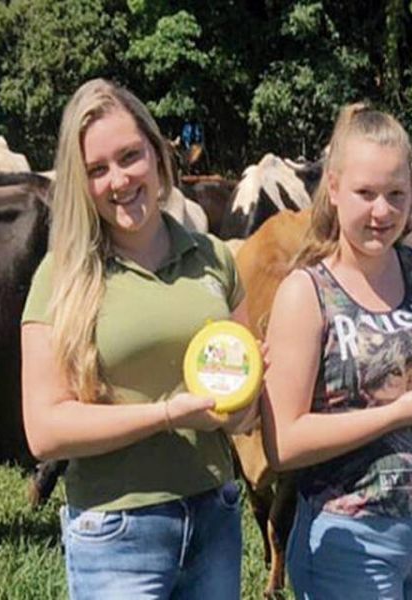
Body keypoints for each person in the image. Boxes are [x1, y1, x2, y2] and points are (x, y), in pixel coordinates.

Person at [20, 78, 255, 598]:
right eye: (98, 170)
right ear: (82, 183)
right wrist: (168, 414)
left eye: (130, 156)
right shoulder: (62, 276)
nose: (120, 180)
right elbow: (44, 429)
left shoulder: (214, 258)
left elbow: (243, 407)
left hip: (214, 512)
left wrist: (245, 399)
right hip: (115, 529)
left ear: (157, 152)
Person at [261, 103, 412, 600]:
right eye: (366, 194)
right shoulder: (308, 293)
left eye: (396, 194)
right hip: (350, 539)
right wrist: (396, 413)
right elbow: (283, 442)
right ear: (334, 187)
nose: (382, 211)